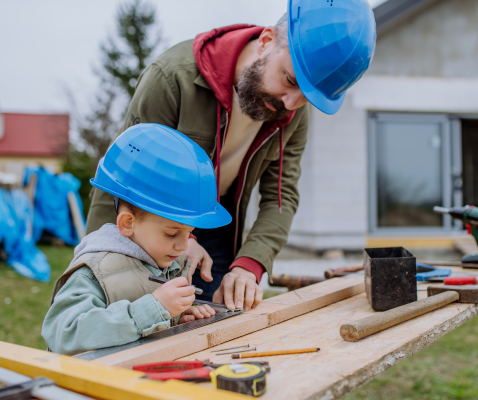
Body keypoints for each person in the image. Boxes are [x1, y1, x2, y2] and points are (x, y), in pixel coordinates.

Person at [85, 0, 376, 311]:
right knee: (122, 325)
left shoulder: (292, 115)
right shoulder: (172, 78)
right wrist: (185, 240)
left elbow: (281, 196)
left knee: (210, 327)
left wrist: (249, 264)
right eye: (290, 80)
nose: (289, 105)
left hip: (217, 219)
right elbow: (132, 177)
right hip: (143, 220)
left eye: (306, 98)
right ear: (266, 41)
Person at [42, 124, 232, 355]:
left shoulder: (165, 262)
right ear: (128, 224)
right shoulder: (94, 271)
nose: (183, 245)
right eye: (172, 233)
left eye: (189, 232)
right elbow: (63, 333)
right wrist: (154, 309)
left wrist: (176, 319)